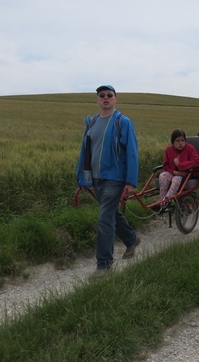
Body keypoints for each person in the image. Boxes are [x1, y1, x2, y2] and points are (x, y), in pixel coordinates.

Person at [76, 84, 141, 278]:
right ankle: (131, 239)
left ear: (115, 99)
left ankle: (104, 265)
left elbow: (131, 152)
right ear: (97, 99)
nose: (106, 98)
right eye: (102, 95)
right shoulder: (92, 122)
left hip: (115, 178)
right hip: (96, 178)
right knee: (111, 212)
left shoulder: (122, 122)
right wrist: (82, 177)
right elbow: (85, 151)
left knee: (104, 218)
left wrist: (130, 181)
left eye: (109, 95)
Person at [158, 129, 199, 204]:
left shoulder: (190, 148)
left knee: (176, 179)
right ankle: (161, 200)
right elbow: (166, 165)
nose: (180, 143)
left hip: (186, 174)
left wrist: (180, 165)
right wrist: (174, 172)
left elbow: (197, 162)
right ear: (173, 142)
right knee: (162, 176)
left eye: (182, 140)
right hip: (173, 172)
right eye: (177, 141)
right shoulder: (169, 150)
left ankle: (167, 200)